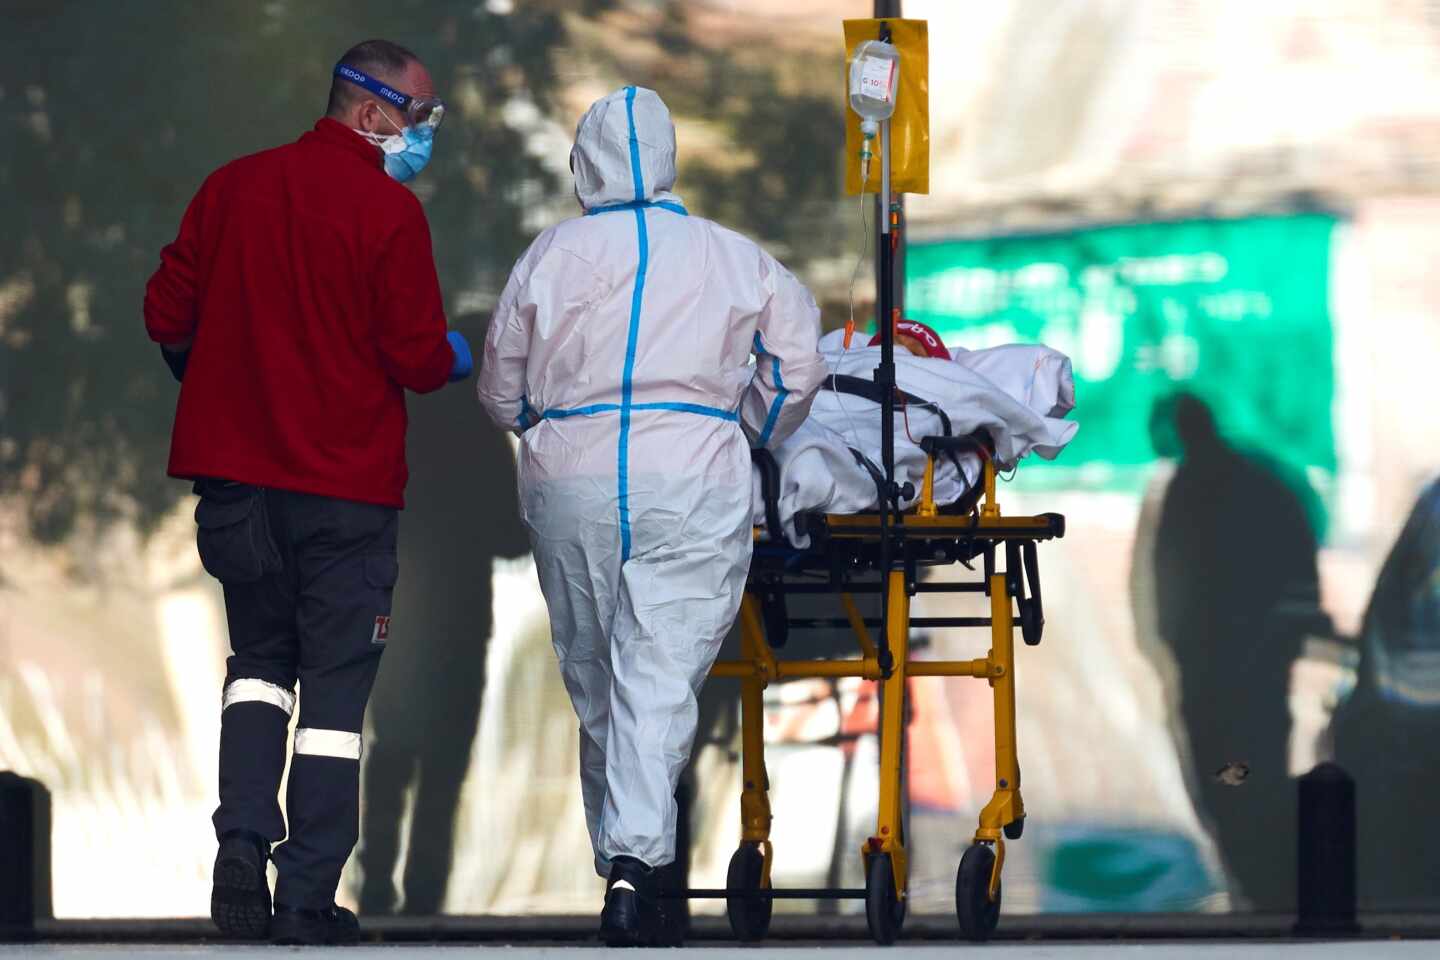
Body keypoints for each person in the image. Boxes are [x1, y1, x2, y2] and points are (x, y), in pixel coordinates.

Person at [477, 86, 825, 945]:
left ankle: (628, 865)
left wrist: (548, 427)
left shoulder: (549, 256)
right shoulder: (734, 258)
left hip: (572, 480)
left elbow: (498, 390)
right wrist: (748, 425)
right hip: (693, 476)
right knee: (659, 675)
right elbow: (799, 366)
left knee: (597, 677)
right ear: (669, 159)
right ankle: (636, 871)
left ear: (583, 164)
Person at [143, 39, 471, 946]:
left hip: (238, 490)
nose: (422, 133)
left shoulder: (229, 187)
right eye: (417, 115)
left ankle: (241, 840)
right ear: (370, 113)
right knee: (332, 706)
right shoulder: (388, 213)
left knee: (255, 672)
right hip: (345, 495)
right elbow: (411, 355)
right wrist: (453, 356)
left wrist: (217, 372)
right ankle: (304, 898)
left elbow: (166, 315)